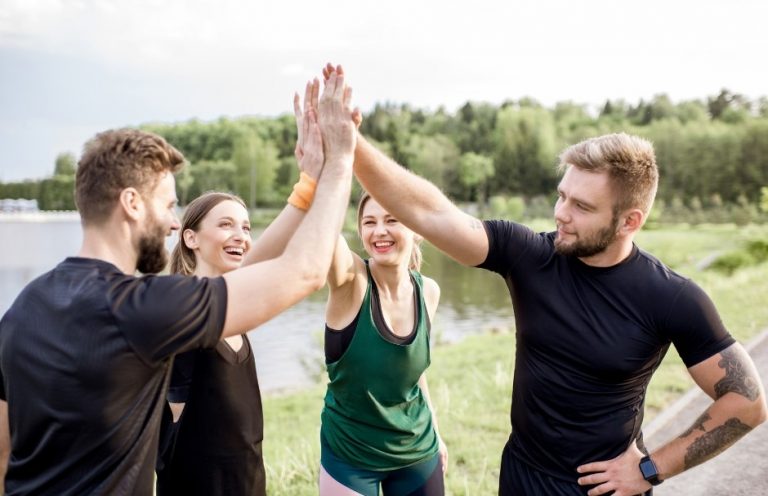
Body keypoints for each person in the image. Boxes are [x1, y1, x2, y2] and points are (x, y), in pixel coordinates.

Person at [327, 69, 767, 495]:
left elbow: (747, 401)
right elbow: (431, 213)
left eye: (582, 206)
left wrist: (651, 468)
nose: (561, 214)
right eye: (561, 196)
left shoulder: (672, 297)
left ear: (629, 221)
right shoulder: (529, 255)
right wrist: (351, 144)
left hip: (601, 490)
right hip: (520, 478)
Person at [0, 67, 356, 494]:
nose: (173, 222)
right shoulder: (140, 309)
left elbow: (3, 452)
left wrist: (308, 183)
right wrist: (340, 163)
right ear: (131, 203)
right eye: (167, 205)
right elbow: (305, 271)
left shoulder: (22, 310)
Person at [154, 78, 330, 496]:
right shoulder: (183, 310)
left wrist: (311, 179)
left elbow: (270, 249)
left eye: (246, 227)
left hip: (248, 481)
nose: (241, 236)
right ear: (191, 238)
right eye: (226, 225)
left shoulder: (230, 302)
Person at [318, 192, 447, 495]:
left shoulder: (428, 291)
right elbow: (325, 232)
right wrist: (324, 177)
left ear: (416, 228)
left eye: (392, 220)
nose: (379, 231)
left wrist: (436, 432)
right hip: (350, 454)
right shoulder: (351, 281)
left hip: (417, 448)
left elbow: (413, 374)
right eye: (369, 222)